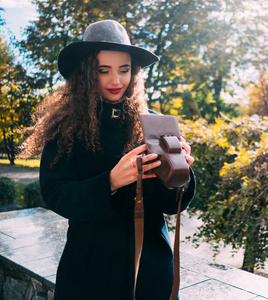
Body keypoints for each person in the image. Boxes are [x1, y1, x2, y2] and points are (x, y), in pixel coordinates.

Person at [21, 20, 196, 300]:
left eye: (124, 70)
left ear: (134, 72)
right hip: (90, 271)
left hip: (149, 269)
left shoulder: (152, 122)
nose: (116, 81)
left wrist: (179, 171)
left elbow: (170, 204)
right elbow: (55, 193)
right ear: (87, 74)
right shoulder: (65, 126)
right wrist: (111, 181)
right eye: (104, 71)